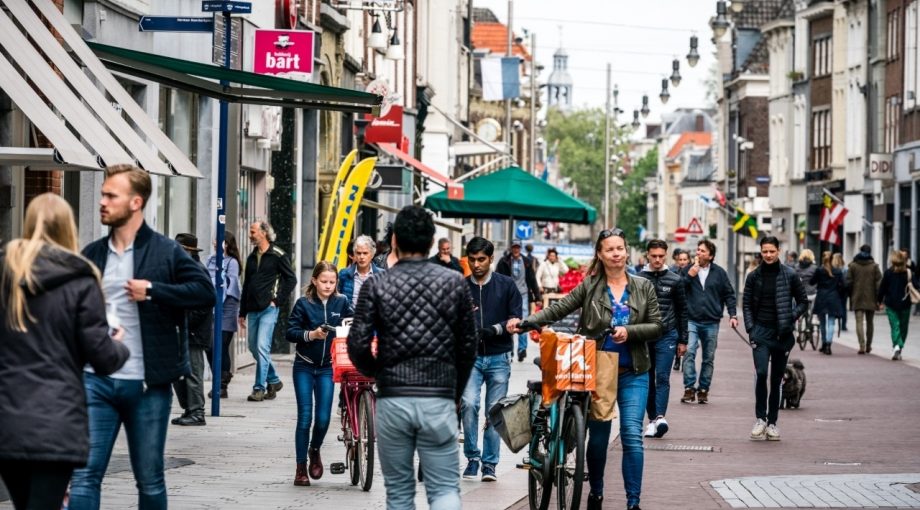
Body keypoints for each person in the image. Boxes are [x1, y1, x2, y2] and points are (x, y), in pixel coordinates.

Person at [71, 165, 214, 510]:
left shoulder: (166, 252)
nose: (102, 202)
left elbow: (204, 292)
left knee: (149, 479)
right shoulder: (93, 254)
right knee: (84, 476)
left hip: (148, 384)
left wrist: (153, 290)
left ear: (136, 202)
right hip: (96, 381)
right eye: (102, 194)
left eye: (110, 196)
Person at [0, 193, 129, 510]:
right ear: (68, 229)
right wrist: (119, 345)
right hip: (57, 423)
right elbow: (103, 359)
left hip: (8, 420)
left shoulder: (5, 273)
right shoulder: (81, 280)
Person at [522, 227, 662, 510]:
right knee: (597, 440)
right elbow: (560, 308)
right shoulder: (590, 285)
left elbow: (658, 326)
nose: (616, 254)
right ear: (600, 253)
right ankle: (596, 490)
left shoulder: (643, 286)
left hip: (634, 372)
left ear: (627, 251)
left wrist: (630, 331)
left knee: (632, 435)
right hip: (597, 371)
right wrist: (528, 322)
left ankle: (633, 502)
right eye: (609, 249)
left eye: (620, 248)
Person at [347, 205, 477, 510]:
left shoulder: (376, 285)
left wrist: (380, 372)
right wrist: (454, 391)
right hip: (439, 397)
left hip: (393, 398)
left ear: (394, 241)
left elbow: (357, 344)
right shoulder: (454, 283)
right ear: (432, 242)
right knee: (444, 488)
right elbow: (468, 346)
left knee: (400, 493)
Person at [286, 261, 354, 486]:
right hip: (304, 366)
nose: (328, 286)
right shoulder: (303, 303)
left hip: (327, 367)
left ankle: (314, 449)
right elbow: (290, 332)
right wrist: (311, 335)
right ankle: (300, 468)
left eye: (332, 282)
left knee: (323, 419)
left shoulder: (342, 302)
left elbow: (354, 322)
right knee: (305, 417)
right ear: (314, 280)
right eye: (323, 281)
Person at [460, 237, 522, 482]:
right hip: (471, 357)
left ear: (491, 258)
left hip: (498, 356)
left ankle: (489, 464)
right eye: (472, 260)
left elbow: (516, 319)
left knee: (495, 411)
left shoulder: (506, 285)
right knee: (468, 402)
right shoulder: (461, 288)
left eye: (481, 260)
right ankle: (473, 457)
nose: (476, 264)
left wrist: (495, 329)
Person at [742, 236, 808, 441]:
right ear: (760, 252)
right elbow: (745, 304)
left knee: (777, 379)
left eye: (772, 251)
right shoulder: (753, 276)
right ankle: (760, 419)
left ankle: (772, 423)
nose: (768, 255)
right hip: (760, 333)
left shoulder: (790, 274)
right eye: (765, 252)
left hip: (782, 334)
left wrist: (790, 319)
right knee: (761, 374)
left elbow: (803, 301)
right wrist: (751, 329)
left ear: (778, 250)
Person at [239, 221, 297, 402]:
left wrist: (276, 300)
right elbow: (247, 286)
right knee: (253, 347)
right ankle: (274, 380)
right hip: (253, 310)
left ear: (264, 233)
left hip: (268, 310)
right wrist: (242, 312)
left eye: (253, 231)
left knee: (262, 347)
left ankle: (259, 388)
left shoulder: (278, 255)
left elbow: (291, 280)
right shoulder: (251, 258)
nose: (250, 234)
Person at [639, 239, 688, 439]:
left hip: (667, 335)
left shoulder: (676, 280)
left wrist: (683, 340)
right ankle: (652, 420)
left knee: (662, 377)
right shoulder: (638, 278)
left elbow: (683, 311)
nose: (658, 260)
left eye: (661, 256)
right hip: (644, 336)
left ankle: (660, 417)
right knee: (647, 378)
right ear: (648, 255)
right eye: (654, 256)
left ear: (666, 255)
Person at [680, 239, 738, 405]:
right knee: (689, 351)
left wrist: (732, 315)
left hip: (711, 321)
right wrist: (690, 276)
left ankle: (703, 389)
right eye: (698, 250)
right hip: (691, 319)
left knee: (708, 357)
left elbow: (729, 294)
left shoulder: (719, 273)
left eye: (702, 251)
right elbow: (679, 291)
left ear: (711, 255)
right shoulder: (687, 270)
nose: (698, 253)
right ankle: (689, 388)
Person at [170, 233, 214, 426]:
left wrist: (185, 321)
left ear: (188, 251)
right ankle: (190, 409)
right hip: (183, 329)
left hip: (194, 331)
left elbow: (204, 303)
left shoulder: (197, 270)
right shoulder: (183, 269)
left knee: (193, 373)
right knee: (179, 373)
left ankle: (197, 412)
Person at [205, 231, 243, 399]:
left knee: (220, 345)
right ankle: (218, 379)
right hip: (211, 305)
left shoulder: (232, 262)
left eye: (218, 240)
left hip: (226, 306)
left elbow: (231, 282)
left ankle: (221, 384)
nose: (214, 242)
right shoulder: (210, 259)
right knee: (210, 346)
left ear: (226, 243)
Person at [496, 240, 542, 362]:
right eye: (514, 248)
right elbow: (497, 278)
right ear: (511, 248)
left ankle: (522, 349)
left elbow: (532, 280)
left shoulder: (526, 262)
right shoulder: (504, 261)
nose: (516, 250)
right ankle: (509, 350)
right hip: (508, 295)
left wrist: (537, 297)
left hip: (523, 294)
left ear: (520, 248)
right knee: (508, 321)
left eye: (518, 247)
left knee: (523, 321)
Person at [878, 250, 919, 360]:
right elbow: (917, 285)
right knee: (903, 327)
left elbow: (882, 288)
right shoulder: (909, 272)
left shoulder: (888, 273)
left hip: (891, 304)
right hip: (905, 304)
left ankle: (897, 346)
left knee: (895, 326)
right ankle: (898, 347)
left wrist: (879, 301)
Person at [847, 245, 882, 354]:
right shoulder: (874, 266)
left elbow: (848, 282)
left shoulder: (852, 266)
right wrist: (879, 299)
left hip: (856, 297)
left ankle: (861, 345)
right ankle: (868, 346)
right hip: (871, 297)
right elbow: (879, 284)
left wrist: (850, 295)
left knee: (859, 322)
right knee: (870, 322)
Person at [810, 251, 846, 355]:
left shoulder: (819, 270)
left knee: (822, 323)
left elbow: (812, 282)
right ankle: (829, 345)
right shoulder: (837, 271)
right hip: (833, 298)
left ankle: (824, 343)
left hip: (821, 297)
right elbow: (843, 285)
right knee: (831, 322)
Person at [338, 235, 385, 308]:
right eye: (358, 253)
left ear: (372, 255)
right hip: (350, 317)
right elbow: (337, 299)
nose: (362, 257)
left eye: (365, 253)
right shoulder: (344, 274)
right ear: (354, 254)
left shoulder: (382, 275)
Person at [832, 252, 849, 331]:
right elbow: (846, 281)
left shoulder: (831, 270)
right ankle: (843, 325)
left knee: (833, 306)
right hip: (843, 291)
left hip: (834, 291)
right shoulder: (845, 269)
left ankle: (833, 321)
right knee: (843, 308)